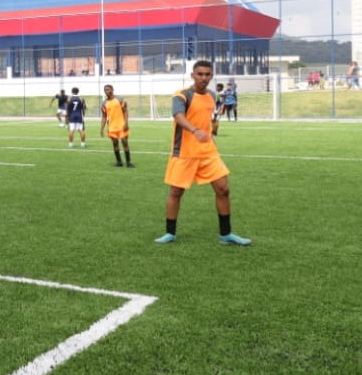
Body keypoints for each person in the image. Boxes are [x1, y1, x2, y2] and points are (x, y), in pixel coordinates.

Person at [156, 60, 251, 245]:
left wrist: (210, 134)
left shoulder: (211, 95)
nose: (203, 78)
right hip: (184, 152)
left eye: (207, 74)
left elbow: (206, 120)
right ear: (193, 75)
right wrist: (194, 130)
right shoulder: (182, 95)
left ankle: (226, 235)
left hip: (208, 152)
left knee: (223, 189)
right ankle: (170, 233)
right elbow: (178, 116)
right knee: (176, 192)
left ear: (211, 76)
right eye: (200, 74)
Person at [101, 83, 133, 168]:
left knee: (125, 143)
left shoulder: (120, 99)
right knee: (115, 144)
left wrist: (126, 123)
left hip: (122, 125)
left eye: (108, 89)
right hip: (112, 127)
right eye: (105, 90)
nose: (106, 91)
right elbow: (104, 116)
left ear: (112, 90)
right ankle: (119, 162)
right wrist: (102, 128)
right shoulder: (104, 103)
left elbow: (125, 112)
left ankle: (128, 162)